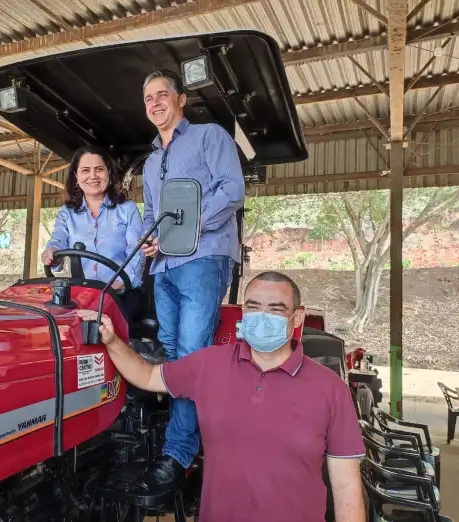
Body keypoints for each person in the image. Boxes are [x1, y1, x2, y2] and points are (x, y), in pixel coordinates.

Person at [76, 271, 366, 522]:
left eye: (275, 309)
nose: (262, 317)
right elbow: (148, 376)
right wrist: (112, 341)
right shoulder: (210, 364)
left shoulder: (330, 388)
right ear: (243, 312)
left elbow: (346, 488)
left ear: (297, 317)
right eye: (254, 307)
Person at [138, 69, 246, 487]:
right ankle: (173, 435)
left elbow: (232, 189)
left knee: (190, 351)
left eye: (162, 94)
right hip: (164, 266)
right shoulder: (150, 162)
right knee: (170, 351)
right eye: (148, 98)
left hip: (204, 257)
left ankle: (178, 453)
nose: (155, 103)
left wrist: (186, 228)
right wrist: (151, 240)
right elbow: (151, 213)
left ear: (181, 99)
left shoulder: (209, 136)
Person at [42, 145, 146, 320]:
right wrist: (52, 251)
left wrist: (119, 284)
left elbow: (136, 253)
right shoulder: (67, 213)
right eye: (85, 170)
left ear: (108, 172)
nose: (93, 176)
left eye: (99, 169)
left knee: (101, 319)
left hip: (120, 294)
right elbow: (58, 239)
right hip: (81, 294)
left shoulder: (128, 210)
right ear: (76, 176)